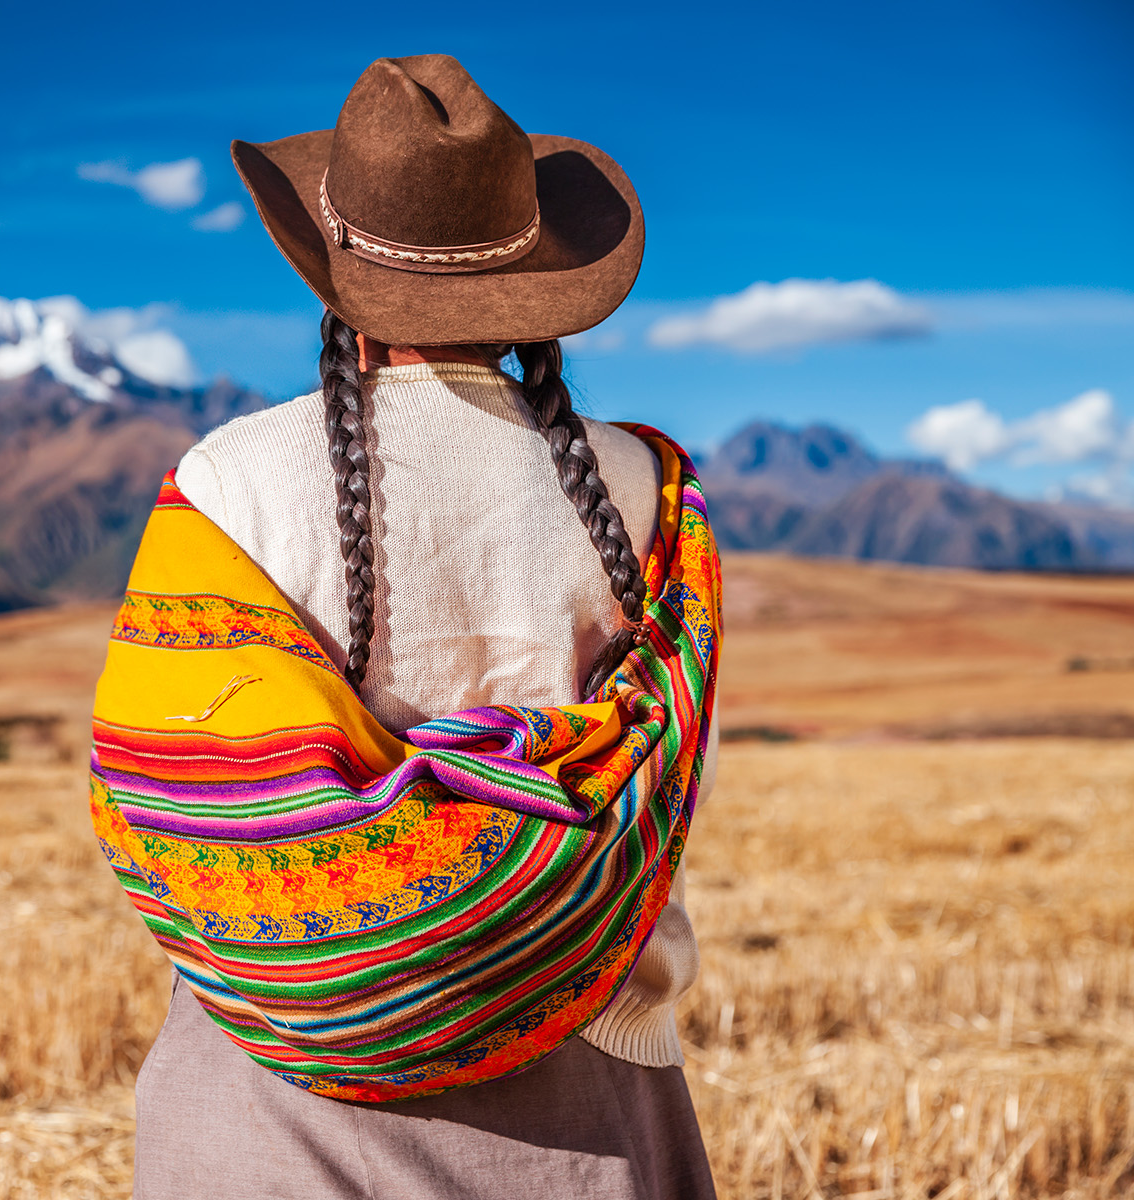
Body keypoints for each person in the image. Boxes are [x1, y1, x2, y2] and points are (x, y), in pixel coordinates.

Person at [110, 54, 721, 1199]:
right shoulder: (648, 489)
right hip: (587, 1079)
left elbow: (170, 798)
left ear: (332, 271)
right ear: (538, 278)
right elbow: (677, 784)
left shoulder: (227, 484)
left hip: (277, 1092)